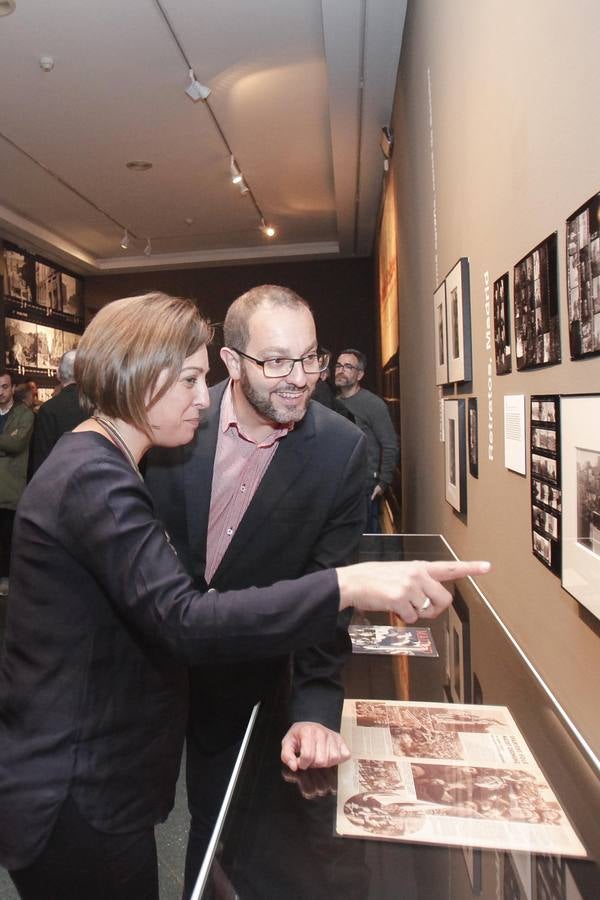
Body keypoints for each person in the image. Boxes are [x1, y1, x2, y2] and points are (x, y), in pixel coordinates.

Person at [0, 292, 489, 900]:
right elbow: (181, 616)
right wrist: (349, 583)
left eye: (309, 359)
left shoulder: (105, 458)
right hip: (77, 776)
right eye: (187, 379)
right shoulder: (99, 472)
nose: (200, 397)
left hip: (145, 745)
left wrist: (312, 703)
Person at [145, 285, 367, 890]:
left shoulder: (342, 452)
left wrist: (317, 709)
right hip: (145, 674)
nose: (298, 377)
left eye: (310, 357)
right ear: (232, 362)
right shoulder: (171, 422)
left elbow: (329, 593)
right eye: (276, 360)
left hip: (246, 685)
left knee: (221, 839)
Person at [335, 349, 399, 532]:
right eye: (338, 365)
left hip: (365, 488)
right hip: (340, 487)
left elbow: (390, 444)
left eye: (348, 366)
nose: (341, 370)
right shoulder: (334, 402)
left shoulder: (373, 404)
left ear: (360, 374)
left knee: (365, 544)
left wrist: (383, 483)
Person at [0, 369, 35, 593]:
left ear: (13, 388)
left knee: (7, 539)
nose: (0, 392)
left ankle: (6, 577)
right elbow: (9, 444)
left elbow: (17, 445)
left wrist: (9, 443)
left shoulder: (24, 414)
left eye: (4, 387)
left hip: (10, 488)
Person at [29, 349, 86, 476]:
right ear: (84, 373)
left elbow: (41, 456)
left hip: (59, 479)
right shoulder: (96, 405)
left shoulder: (48, 409)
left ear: (58, 374)